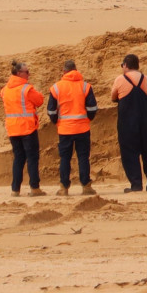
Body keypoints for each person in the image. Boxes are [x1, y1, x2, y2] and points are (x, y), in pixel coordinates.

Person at [49, 59, 98, 197]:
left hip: (64, 129)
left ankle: (64, 187)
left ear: (64, 72)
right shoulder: (85, 86)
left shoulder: (56, 87)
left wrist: (57, 122)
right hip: (82, 128)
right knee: (83, 157)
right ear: (76, 70)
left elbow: (51, 110)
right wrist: (88, 119)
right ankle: (86, 186)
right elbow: (92, 108)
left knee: (65, 158)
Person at [110, 53, 147, 193]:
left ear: (125, 65)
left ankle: (136, 184)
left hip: (128, 122)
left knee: (130, 152)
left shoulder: (120, 79)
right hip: (146, 121)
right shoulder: (145, 79)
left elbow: (114, 97)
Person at [2, 60, 46, 196]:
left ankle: (15, 189)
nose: (29, 74)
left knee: (18, 158)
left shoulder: (4, 90)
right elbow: (39, 100)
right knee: (32, 158)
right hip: (27, 128)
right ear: (19, 73)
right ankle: (34, 188)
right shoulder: (26, 89)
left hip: (13, 129)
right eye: (27, 72)